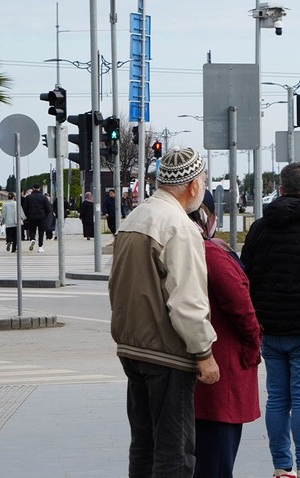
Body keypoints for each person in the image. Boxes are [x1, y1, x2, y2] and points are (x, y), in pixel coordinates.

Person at [109, 147, 219, 477]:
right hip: (167, 353)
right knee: (175, 451)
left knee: (143, 445)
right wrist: (204, 353)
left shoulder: (135, 217)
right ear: (194, 186)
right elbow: (188, 302)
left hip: (133, 347)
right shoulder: (180, 228)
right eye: (202, 179)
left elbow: (116, 286)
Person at [240, 162, 300, 478]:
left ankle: (282, 468)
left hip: (270, 327)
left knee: (278, 398)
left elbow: (246, 275)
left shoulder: (260, 227)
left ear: (280, 190)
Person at [189, 190, 262, 478]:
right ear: (208, 216)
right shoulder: (211, 254)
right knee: (217, 460)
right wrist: (254, 343)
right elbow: (242, 308)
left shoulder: (188, 249)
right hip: (221, 369)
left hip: (201, 370)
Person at [23, 185, 52, 252]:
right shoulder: (44, 197)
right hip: (42, 217)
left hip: (31, 216)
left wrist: (27, 216)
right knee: (41, 232)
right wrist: (45, 215)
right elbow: (48, 208)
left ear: (33, 188)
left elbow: (25, 208)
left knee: (32, 230)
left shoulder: (28, 197)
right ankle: (40, 246)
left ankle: (32, 239)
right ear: (39, 188)